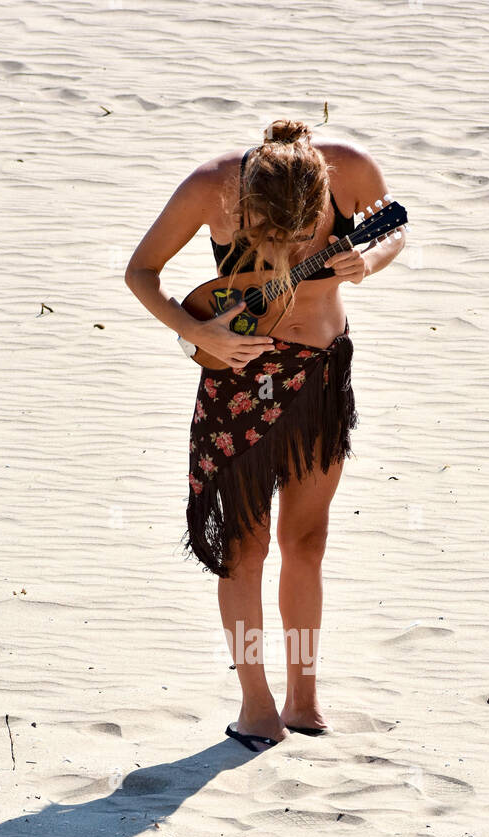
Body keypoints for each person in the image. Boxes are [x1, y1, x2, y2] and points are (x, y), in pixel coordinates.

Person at [126, 119, 404, 751]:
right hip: (237, 380)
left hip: (322, 377)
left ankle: (304, 698)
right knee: (244, 551)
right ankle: (256, 704)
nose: (284, 247)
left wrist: (370, 260)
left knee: (306, 542)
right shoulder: (208, 185)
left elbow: (394, 228)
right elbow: (142, 272)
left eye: (301, 233)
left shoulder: (351, 167)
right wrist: (203, 334)